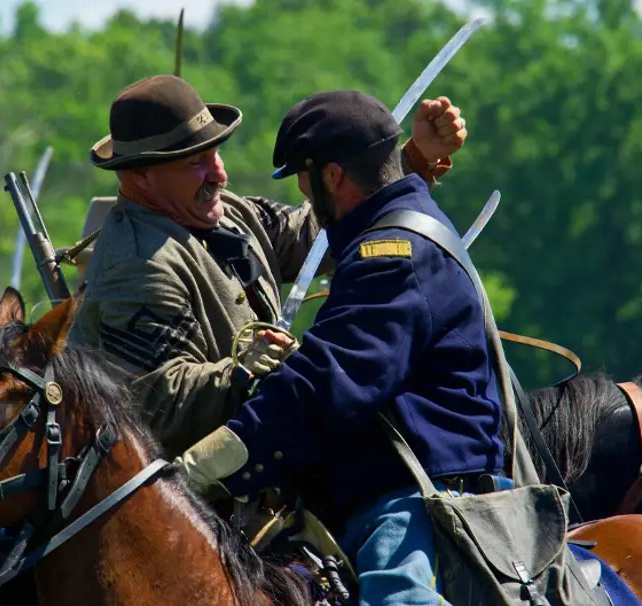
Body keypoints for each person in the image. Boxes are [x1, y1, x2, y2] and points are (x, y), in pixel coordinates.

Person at [178, 90, 504, 606]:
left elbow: (325, 385)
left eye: (305, 184)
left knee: (396, 599)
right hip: (371, 491)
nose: (306, 198)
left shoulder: (390, 255)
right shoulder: (390, 230)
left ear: (333, 178)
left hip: (418, 498)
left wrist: (200, 467)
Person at [73, 75, 468, 457]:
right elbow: (153, 407)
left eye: (216, 153)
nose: (220, 175)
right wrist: (242, 372)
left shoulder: (226, 213)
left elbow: (318, 229)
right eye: (196, 162)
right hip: (197, 499)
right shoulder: (138, 266)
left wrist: (412, 159)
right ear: (139, 175)